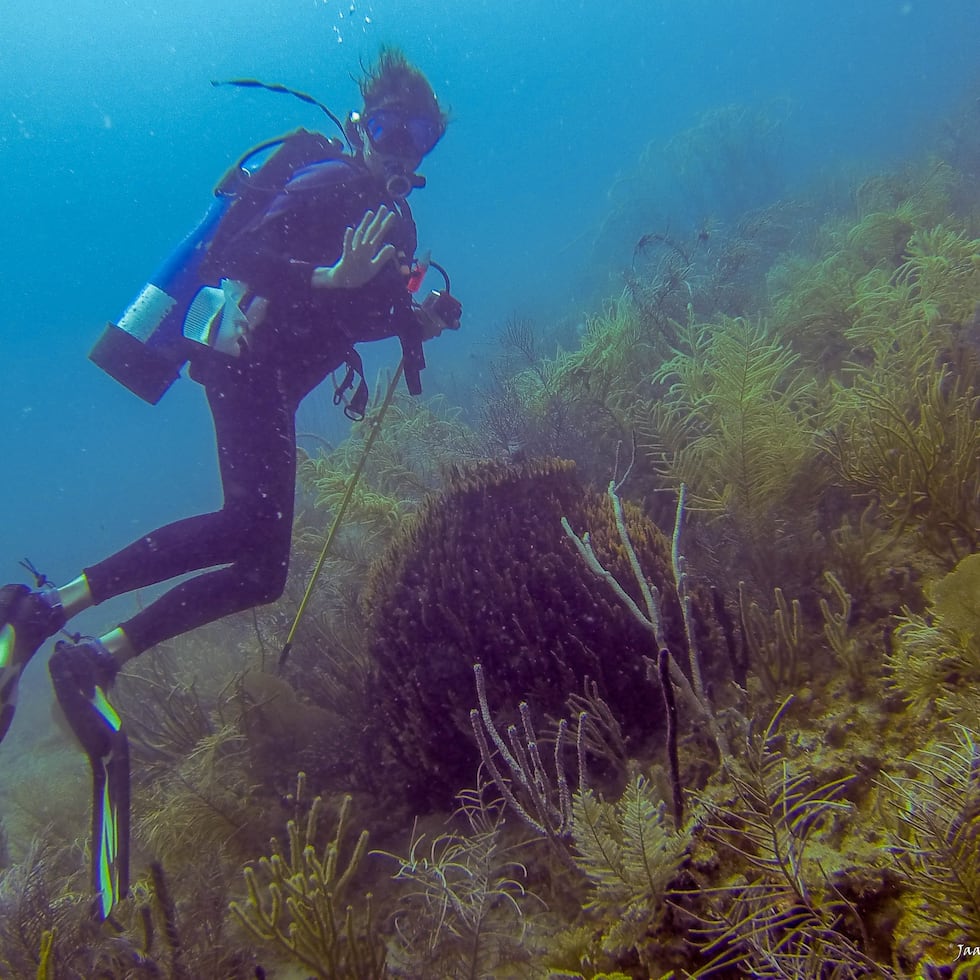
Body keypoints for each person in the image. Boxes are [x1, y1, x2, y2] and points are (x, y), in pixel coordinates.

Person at [0, 46, 460, 918]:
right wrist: (333, 276)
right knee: (249, 527)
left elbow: (350, 311)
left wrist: (414, 318)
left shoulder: (379, 213)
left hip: (265, 375)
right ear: (365, 124)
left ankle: (83, 641)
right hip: (243, 365)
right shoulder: (327, 179)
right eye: (398, 129)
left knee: (262, 566)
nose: (408, 151)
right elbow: (245, 251)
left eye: (424, 139)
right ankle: (58, 622)